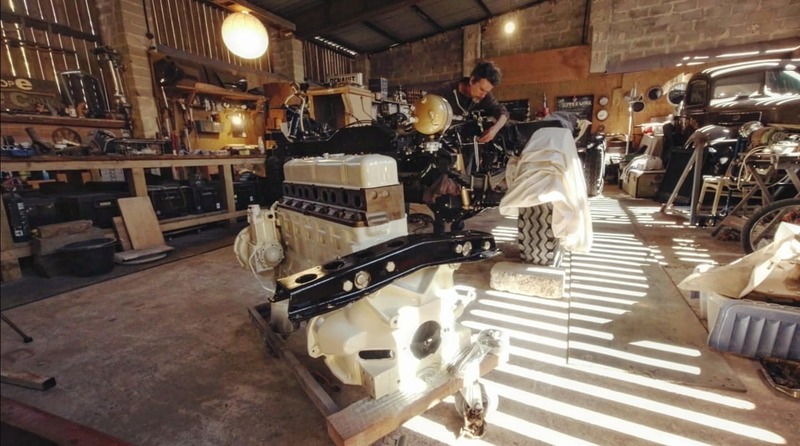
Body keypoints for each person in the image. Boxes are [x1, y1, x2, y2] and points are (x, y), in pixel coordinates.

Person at [431, 60, 510, 144]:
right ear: (472, 80)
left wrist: (494, 129)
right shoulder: (445, 91)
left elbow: (503, 112)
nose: (483, 95)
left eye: (486, 92)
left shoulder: (484, 96)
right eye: (482, 89)